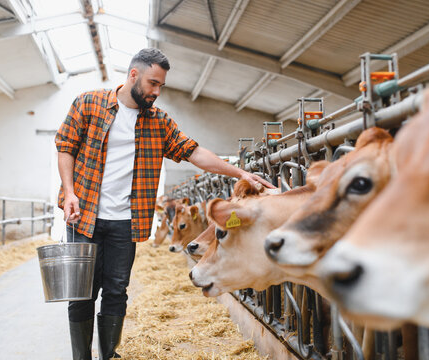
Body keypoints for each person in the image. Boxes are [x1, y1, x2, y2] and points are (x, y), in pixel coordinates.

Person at [55, 48, 273, 360]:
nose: (156, 92)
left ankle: (107, 355)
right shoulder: (88, 103)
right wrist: (70, 192)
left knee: (116, 292)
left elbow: (195, 153)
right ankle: (81, 357)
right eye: (152, 83)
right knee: (81, 294)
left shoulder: (158, 122)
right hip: (83, 215)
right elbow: (65, 147)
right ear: (133, 75)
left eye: (161, 86)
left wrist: (240, 172)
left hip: (124, 221)